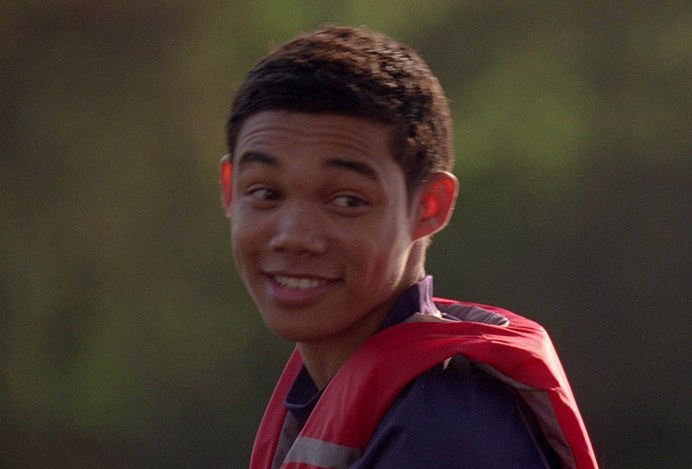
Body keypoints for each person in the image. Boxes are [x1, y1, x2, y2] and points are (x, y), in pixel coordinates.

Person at [221, 25, 598, 469]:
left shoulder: (447, 431)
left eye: (347, 200)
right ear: (229, 190)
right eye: (265, 193)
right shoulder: (328, 388)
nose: (294, 236)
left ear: (429, 207)